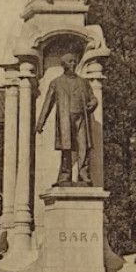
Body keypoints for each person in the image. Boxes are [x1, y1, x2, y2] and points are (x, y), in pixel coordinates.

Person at [34, 54, 97, 185]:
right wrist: (40, 122)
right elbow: (48, 103)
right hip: (65, 119)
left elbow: (93, 98)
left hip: (81, 118)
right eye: (70, 61)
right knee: (66, 147)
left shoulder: (83, 82)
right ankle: (65, 175)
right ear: (64, 65)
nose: (73, 64)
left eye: (75, 61)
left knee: (83, 145)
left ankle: (83, 174)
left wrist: (94, 103)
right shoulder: (56, 83)